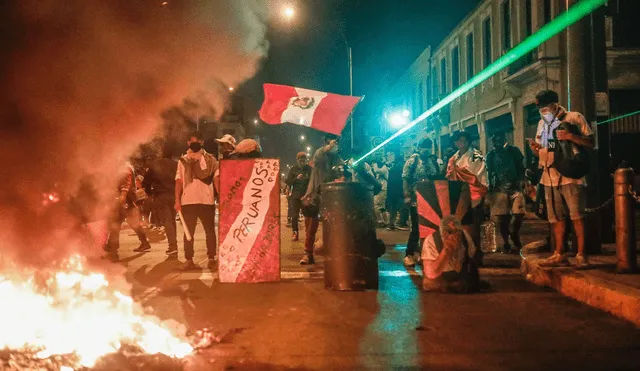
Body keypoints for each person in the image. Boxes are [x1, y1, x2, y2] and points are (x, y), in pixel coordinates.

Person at [528, 89, 594, 268]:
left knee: (577, 215)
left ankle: (581, 254)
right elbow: (542, 148)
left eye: (546, 107)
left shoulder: (574, 118)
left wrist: (571, 136)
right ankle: (559, 252)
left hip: (570, 175)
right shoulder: (542, 124)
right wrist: (535, 148)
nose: (544, 112)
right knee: (556, 217)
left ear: (555, 104)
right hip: (549, 175)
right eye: (541, 109)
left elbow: (591, 142)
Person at [175, 131, 218, 270]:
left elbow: (217, 179)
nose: (194, 144)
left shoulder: (211, 160)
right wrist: (177, 200)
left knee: (210, 232)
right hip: (188, 201)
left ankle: (212, 258)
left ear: (202, 142)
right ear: (187, 143)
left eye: (197, 141)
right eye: (191, 142)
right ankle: (189, 260)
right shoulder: (182, 160)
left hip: (207, 200)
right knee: (189, 233)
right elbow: (179, 181)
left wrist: (222, 198)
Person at [446, 131, 488, 262]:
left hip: (474, 195)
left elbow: (476, 176)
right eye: (458, 141)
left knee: (473, 225)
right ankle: (463, 252)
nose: (461, 143)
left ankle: (475, 254)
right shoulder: (453, 158)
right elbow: (449, 176)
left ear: (468, 141)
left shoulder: (476, 156)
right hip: (458, 196)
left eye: (464, 140)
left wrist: (460, 173)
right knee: (460, 225)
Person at [300, 135, 342, 265]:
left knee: (333, 227)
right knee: (311, 228)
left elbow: (341, 172)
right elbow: (319, 154)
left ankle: (333, 254)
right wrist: (329, 147)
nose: (335, 146)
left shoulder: (337, 159)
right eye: (331, 143)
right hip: (315, 196)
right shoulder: (320, 154)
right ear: (326, 143)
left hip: (331, 197)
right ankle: (308, 254)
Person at [402, 138, 441, 267]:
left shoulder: (434, 160)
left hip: (431, 200)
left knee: (430, 228)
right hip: (415, 200)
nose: (426, 149)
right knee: (416, 228)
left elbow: (438, 178)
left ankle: (425, 253)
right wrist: (407, 195)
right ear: (418, 148)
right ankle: (410, 254)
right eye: (424, 146)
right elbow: (405, 179)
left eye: (429, 146)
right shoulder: (412, 161)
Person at [486, 132, 526, 254]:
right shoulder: (491, 155)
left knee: (518, 215)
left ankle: (514, 234)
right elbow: (489, 173)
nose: (496, 143)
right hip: (499, 189)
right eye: (494, 141)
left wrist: (522, 182)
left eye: (499, 140)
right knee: (503, 219)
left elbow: (521, 167)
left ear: (504, 139)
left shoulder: (514, 151)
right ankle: (506, 242)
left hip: (515, 189)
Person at [105, 162, 151, 260]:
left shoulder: (124, 167)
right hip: (128, 201)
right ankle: (145, 243)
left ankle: (113, 251)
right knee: (133, 223)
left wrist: (123, 195)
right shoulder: (124, 166)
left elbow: (126, 183)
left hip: (124, 201)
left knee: (115, 224)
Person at [422, 215, 479, 293]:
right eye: (450, 232)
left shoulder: (465, 237)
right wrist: (446, 250)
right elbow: (431, 274)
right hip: (440, 278)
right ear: (444, 233)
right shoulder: (431, 240)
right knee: (430, 283)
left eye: (457, 231)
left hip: (460, 277)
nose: (454, 236)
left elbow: (472, 257)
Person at [143, 145, 179, 256]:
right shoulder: (176, 164)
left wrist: (150, 194)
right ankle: (174, 245)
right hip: (174, 195)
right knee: (172, 220)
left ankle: (172, 246)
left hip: (161, 196)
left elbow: (146, 182)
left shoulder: (155, 165)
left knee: (167, 221)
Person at [285, 152, 312, 242]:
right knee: (295, 216)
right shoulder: (293, 169)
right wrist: (296, 178)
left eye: (304, 161)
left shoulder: (309, 169)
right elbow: (288, 182)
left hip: (306, 196)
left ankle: (309, 234)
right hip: (295, 196)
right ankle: (295, 232)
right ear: (297, 161)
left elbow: (312, 181)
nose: (302, 163)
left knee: (308, 216)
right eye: (300, 161)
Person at [386, 151, 407, 231]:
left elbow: (390, 182)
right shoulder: (402, 168)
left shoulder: (392, 169)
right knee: (403, 207)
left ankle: (391, 224)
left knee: (393, 209)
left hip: (392, 192)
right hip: (400, 191)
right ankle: (401, 223)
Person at [372, 157, 389, 227]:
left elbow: (376, 170)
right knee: (382, 207)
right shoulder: (383, 169)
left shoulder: (384, 169)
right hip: (380, 189)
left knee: (376, 205)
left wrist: (374, 164)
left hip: (382, 189)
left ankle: (380, 221)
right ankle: (385, 222)